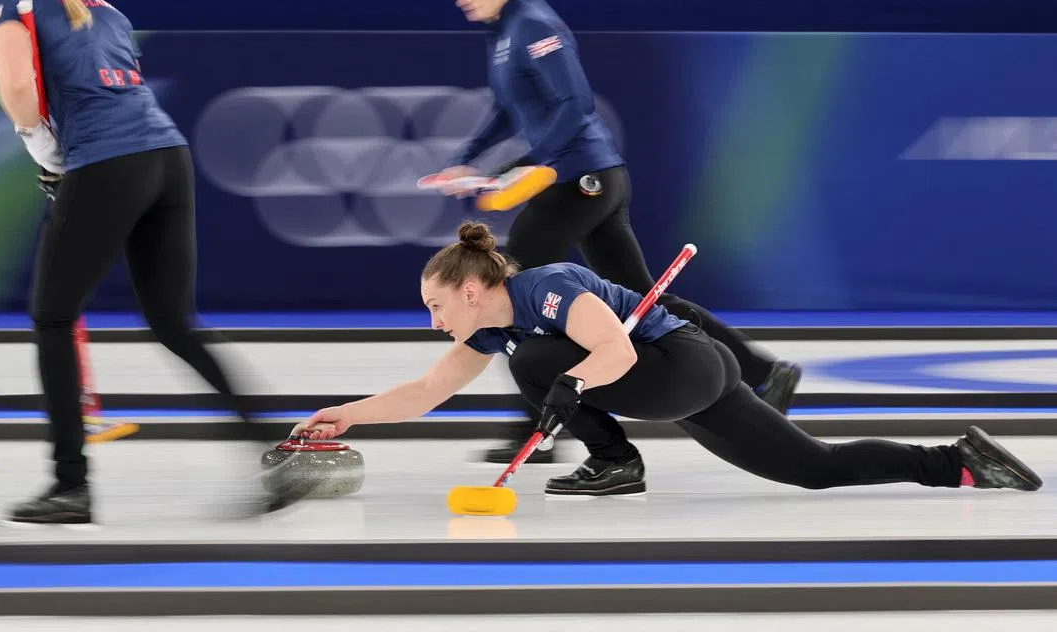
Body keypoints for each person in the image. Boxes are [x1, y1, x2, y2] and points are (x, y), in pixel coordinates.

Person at [298, 222, 1042, 497]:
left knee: (541, 364)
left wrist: (571, 385)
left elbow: (616, 347)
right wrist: (346, 417)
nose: (434, 324)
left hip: (682, 366)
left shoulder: (548, 288)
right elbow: (427, 392)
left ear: (469, 288)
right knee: (815, 469)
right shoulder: (488, 330)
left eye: (435, 307)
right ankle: (957, 460)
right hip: (678, 389)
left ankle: (616, 462)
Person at [440, 0, 800, 464]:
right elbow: (508, 107)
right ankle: (763, 370)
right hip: (586, 178)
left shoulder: (535, 24)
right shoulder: (505, 30)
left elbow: (575, 102)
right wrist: (470, 156)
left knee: (508, 294)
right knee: (642, 298)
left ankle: (541, 433)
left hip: (582, 180)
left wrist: (534, 165)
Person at [0, 0, 272, 524]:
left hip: (108, 165)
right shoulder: (103, 8)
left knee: (52, 316)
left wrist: (46, 154)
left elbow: (21, 95)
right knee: (172, 321)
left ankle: (70, 487)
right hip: (168, 159)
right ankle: (272, 454)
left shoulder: (13, 8)